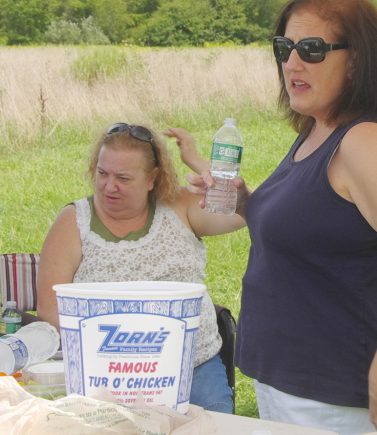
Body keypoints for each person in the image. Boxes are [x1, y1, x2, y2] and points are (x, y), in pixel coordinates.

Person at [185, 0, 377, 435]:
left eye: (312, 50)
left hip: (334, 394)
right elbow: (319, 228)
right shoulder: (322, 127)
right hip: (292, 383)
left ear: (357, 61)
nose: (292, 63)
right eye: (283, 48)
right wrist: (249, 201)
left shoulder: (365, 139)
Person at [37, 122, 245, 414]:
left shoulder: (180, 206)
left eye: (123, 177)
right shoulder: (74, 222)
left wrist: (198, 163)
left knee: (215, 427)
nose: (110, 186)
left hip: (191, 368)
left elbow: (250, 211)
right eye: (102, 173)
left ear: (152, 178)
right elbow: (49, 308)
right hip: (108, 375)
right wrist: (121, 354)